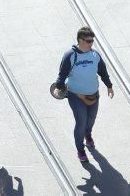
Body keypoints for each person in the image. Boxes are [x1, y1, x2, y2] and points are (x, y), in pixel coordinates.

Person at [52, 26, 114, 163]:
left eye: (92, 40)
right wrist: (61, 89)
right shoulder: (70, 55)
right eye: (88, 40)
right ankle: (80, 150)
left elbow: (102, 71)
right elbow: (61, 76)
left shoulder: (95, 55)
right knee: (81, 122)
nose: (91, 43)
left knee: (91, 119)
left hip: (93, 95)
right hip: (76, 96)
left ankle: (88, 135)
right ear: (80, 40)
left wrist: (109, 86)